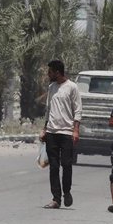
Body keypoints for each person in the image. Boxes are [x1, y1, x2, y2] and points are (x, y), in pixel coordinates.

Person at [40, 60, 82, 209]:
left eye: (50, 71)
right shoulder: (52, 87)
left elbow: (77, 110)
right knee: (53, 167)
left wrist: (75, 130)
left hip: (66, 132)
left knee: (66, 164)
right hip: (52, 132)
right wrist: (44, 129)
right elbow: (48, 109)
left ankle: (67, 192)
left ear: (57, 72)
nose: (48, 74)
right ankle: (56, 199)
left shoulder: (72, 87)